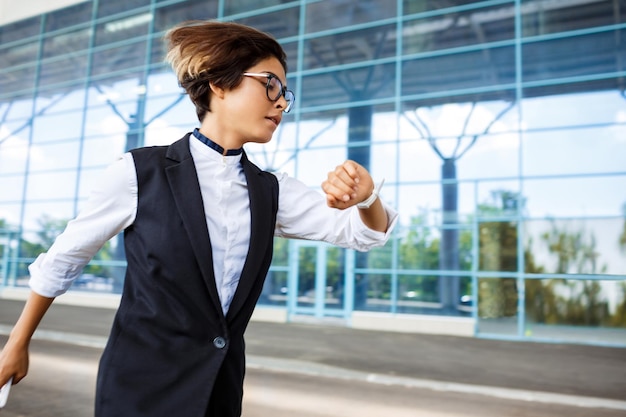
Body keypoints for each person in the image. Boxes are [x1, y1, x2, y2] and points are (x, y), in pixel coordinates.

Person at [0, 20, 398, 417]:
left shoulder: (272, 190)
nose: (281, 103)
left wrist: (368, 197)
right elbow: (64, 260)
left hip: (219, 393)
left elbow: (366, 235)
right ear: (220, 85)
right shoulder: (138, 172)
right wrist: (17, 343)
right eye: (270, 84)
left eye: (285, 93)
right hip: (139, 389)